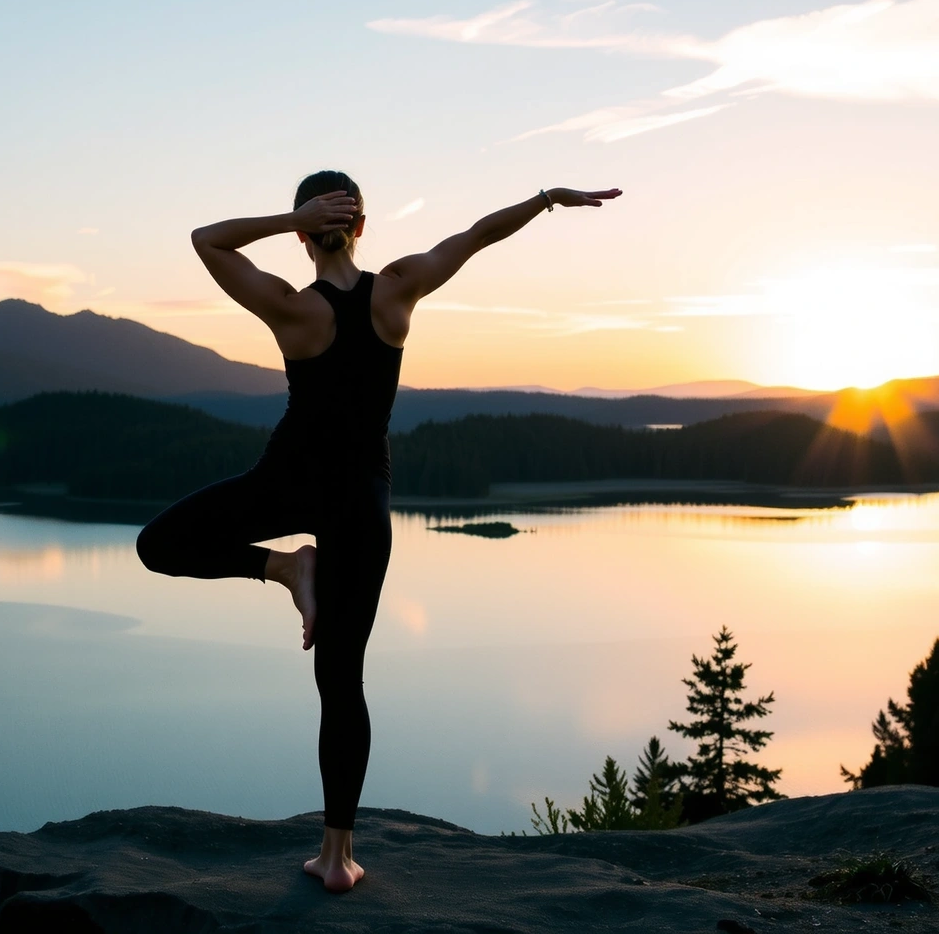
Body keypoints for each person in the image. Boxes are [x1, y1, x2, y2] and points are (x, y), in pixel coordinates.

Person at [136, 171, 621, 892]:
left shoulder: (291, 308)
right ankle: (337, 858)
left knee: (160, 544)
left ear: (305, 234)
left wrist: (284, 216)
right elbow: (478, 236)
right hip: (359, 500)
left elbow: (207, 241)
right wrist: (546, 201)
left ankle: (280, 567)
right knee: (341, 681)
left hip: (286, 480)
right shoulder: (397, 288)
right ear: (362, 228)